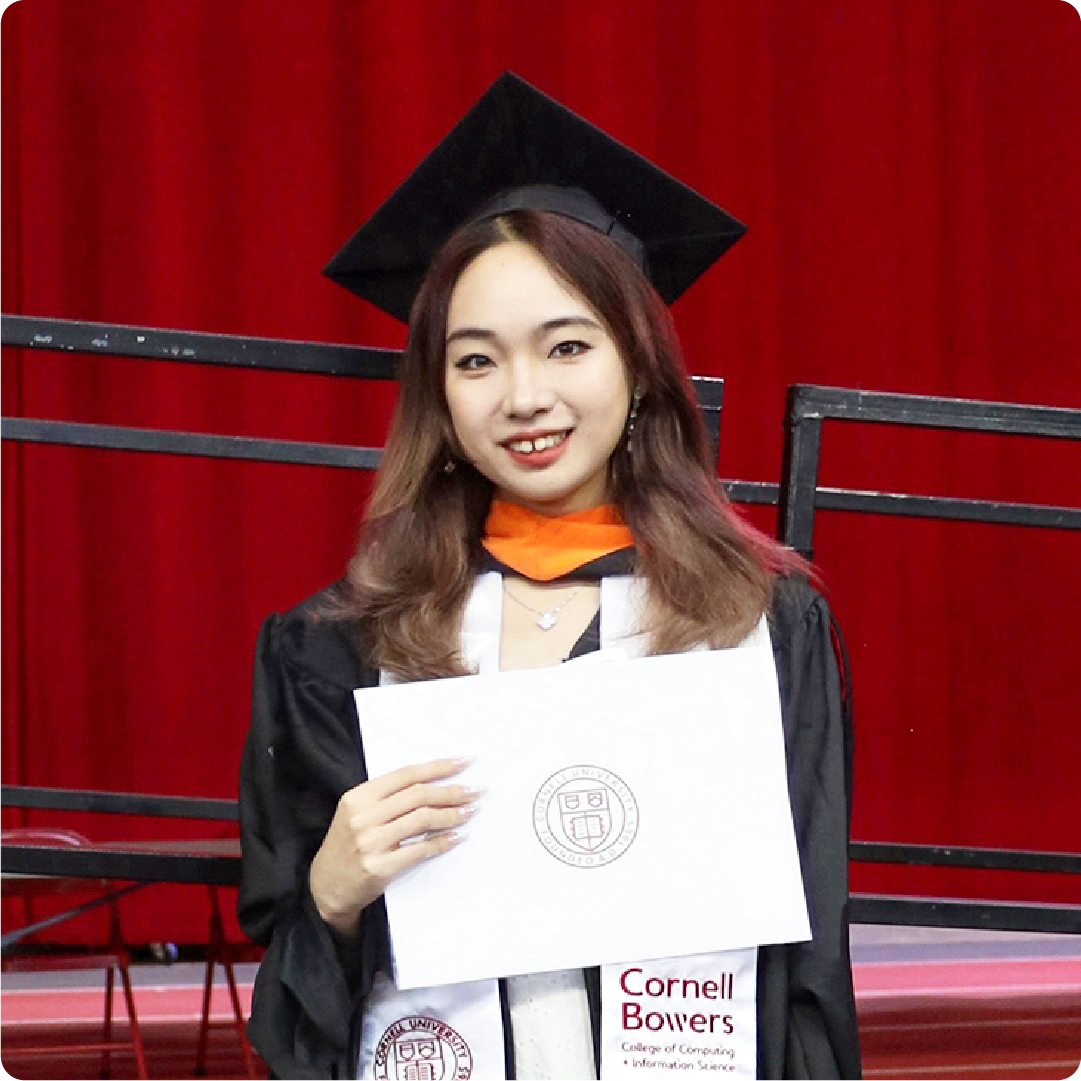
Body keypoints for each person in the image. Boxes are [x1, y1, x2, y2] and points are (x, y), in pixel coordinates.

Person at [238, 74, 861, 1081]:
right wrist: (333, 890)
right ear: (438, 396)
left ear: (638, 366)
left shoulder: (755, 622)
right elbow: (296, 1007)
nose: (524, 396)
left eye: (566, 346)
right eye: (475, 361)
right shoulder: (341, 647)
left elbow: (805, 966)